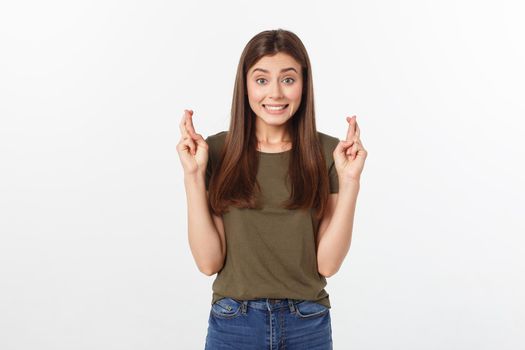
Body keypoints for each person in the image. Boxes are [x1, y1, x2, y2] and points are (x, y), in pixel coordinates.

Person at [177, 29, 367, 350]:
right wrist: (193, 177)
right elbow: (208, 263)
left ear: (304, 85)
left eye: (288, 79)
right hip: (234, 321)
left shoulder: (329, 153)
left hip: (307, 321)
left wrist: (350, 182)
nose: (275, 93)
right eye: (262, 80)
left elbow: (328, 265)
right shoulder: (217, 151)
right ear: (246, 85)